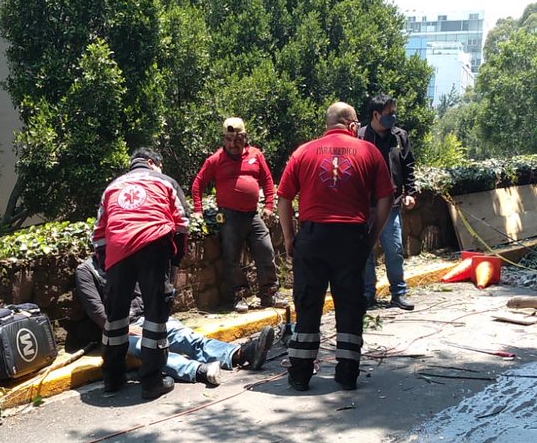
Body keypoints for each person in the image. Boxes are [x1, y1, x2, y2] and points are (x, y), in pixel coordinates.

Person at [277, 102, 394, 392]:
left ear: (327, 125)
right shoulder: (369, 151)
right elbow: (386, 200)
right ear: (354, 126)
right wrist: (371, 236)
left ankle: (300, 375)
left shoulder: (303, 152)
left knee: (307, 305)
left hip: (312, 238)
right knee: (350, 307)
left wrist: (290, 237)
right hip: (350, 238)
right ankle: (346, 375)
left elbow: (283, 198)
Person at [75, 252, 276, 386]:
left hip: (147, 317)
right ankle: (199, 371)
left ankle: (239, 354)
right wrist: (126, 329)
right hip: (121, 330)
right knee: (150, 348)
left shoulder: (126, 259)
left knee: (186, 336)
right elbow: (98, 313)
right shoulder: (86, 271)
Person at [93, 148, 189, 401]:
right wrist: (175, 260)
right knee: (155, 316)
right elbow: (182, 222)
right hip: (152, 244)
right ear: (152, 163)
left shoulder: (112, 187)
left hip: (117, 250)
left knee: (115, 319)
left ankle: (112, 379)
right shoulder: (165, 181)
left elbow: (99, 232)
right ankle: (152, 381)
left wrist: (107, 266)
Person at [192, 117, 288, 313]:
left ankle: (269, 293)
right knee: (231, 257)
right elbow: (198, 183)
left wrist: (269, 205)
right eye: (228, 139)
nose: (232, 144)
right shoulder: (216, 159)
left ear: (245, 137)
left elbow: (268, 180)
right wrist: (198, 211)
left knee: (266, 251)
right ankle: (240, 295)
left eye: (237, 139)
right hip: (229, 216)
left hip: (253, 215)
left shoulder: (256, 155)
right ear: (223, 139)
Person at [358, 93, 417, 311]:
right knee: (365, 250)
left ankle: (398, 293)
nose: (393, 116)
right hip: (364, 206)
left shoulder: (400, 136)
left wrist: (410, 191)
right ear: (375, 114)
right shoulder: (359, 136)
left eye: (394, 112)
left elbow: (408, 165)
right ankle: (367, 293)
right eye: (389, 113)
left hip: (391, 204)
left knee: (395, 249)